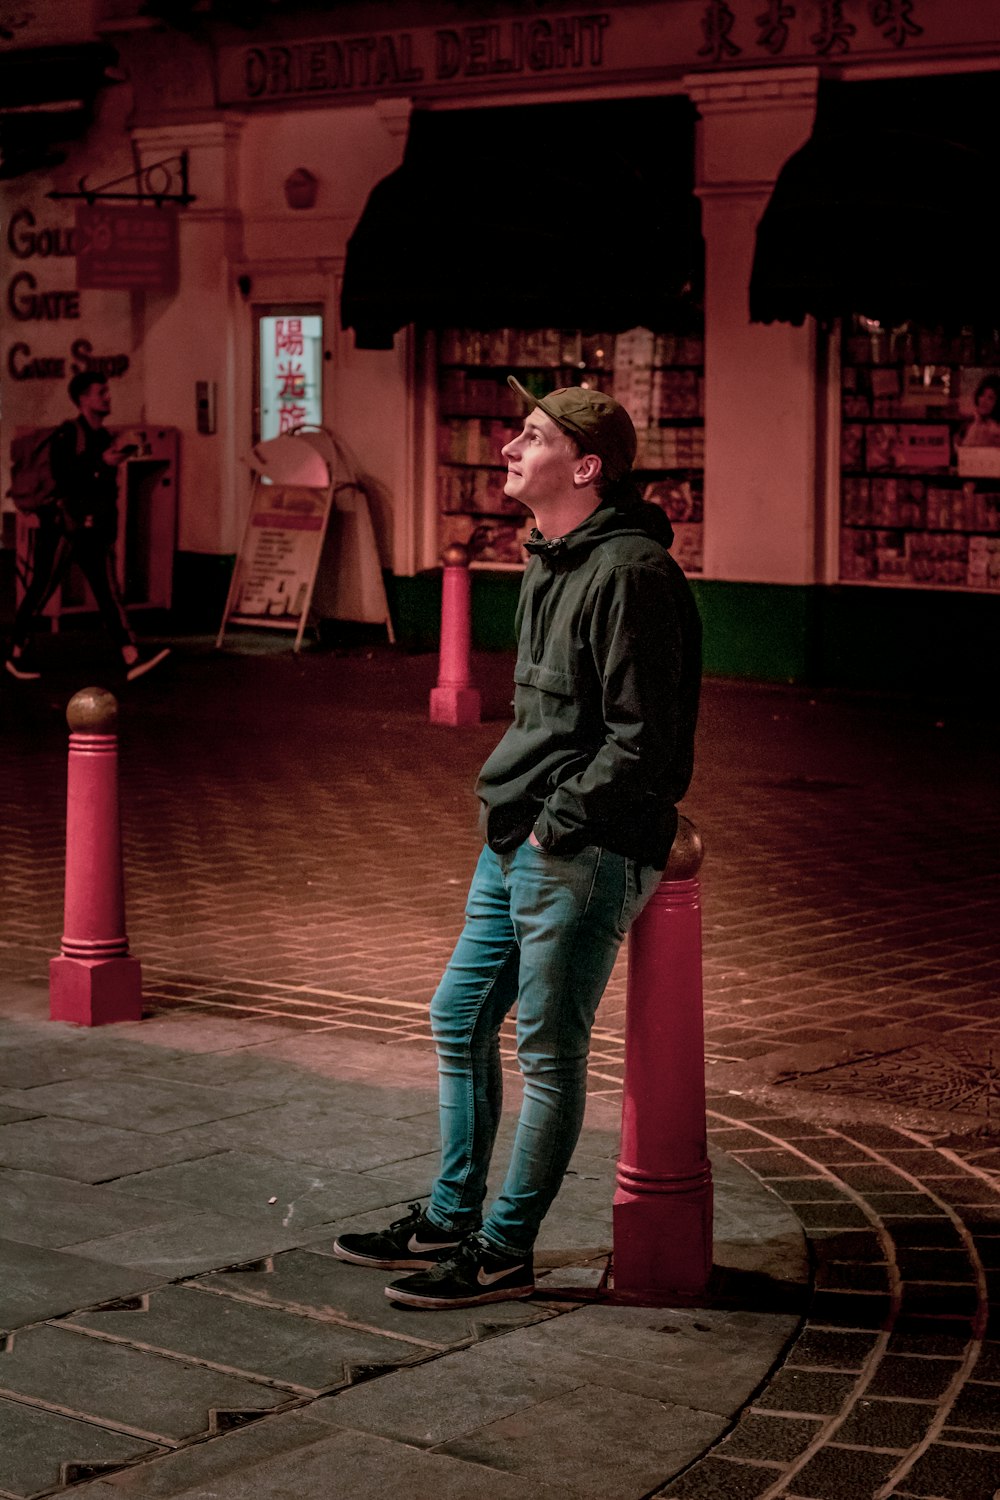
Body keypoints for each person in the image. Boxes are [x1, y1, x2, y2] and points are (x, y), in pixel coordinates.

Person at [334, 376, 702, 1309]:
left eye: (530, 436)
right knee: (458, 1016)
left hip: (577, 851)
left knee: (548, 1053)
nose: (508, 447)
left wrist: (557, 823)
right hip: (518, 836)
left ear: (584, 467)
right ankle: (452, 1217)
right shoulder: (551, 554)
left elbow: (647, 742)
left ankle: (503, 1249)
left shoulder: (630, 575)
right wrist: (520, 820)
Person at [5, 373, 171, 682]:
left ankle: (130, 656)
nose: (107, 397)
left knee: (108, 592)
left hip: (94, 528)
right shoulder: (69, 435)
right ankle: (16, 651)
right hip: (65, 526)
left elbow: (105, 487)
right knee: (43, 587)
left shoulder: (104, 437)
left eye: (107, 392)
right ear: (82, 399)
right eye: (100, 392)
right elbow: (64, 478)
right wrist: (101, 464)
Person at [960, 374, 1000, 447]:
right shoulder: (975, 423)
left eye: (990, 398)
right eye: (982, 395)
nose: (983, 400)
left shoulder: (995, 431)